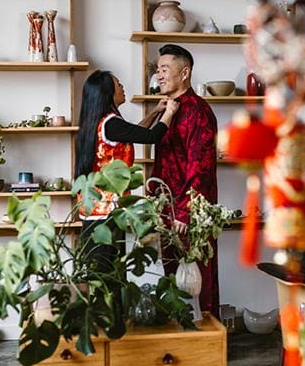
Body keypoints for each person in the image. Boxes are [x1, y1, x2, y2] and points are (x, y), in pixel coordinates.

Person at [74, 69, 179, 271]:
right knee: (109, 275)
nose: (122, 87)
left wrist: (156, 112)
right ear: (108, 93)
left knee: (102, 274)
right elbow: (151, 137)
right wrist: (170, 113)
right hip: (106, 212)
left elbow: (136, 133)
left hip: (96, 211)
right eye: (118, 84)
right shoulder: (110, 123)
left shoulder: (104, 122)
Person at [150, 44, 219, 315]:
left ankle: (207, 346)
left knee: (199, 279)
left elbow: (200, 167)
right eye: (158, 70)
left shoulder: (198, 111)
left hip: (191, 214)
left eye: (165, 69)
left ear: (185, 72)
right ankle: (177, 342)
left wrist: (185, 213)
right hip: (167, 211)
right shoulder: (169, 110)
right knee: (172, 279)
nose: (159, 76)